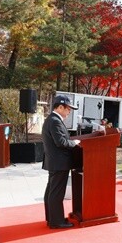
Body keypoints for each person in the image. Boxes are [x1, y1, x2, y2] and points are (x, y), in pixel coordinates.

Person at [42, 95, 81, 229]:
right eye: (68, 109)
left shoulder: (51, 119)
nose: (69, 112)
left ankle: (52, 218)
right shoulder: (55, 121)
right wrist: (74, 143)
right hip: (59, 162)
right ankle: (56, 221)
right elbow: (61, 142)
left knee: (52, 192)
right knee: (56, 193)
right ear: (60, 107)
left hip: (55, 162)